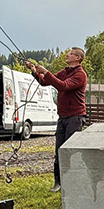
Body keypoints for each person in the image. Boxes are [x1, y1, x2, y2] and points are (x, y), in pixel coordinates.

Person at [24, 47, 88, 192]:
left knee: (70, 151)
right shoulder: (65, 71)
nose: (68, 55)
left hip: (75, 117)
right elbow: (45, 82)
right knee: (59, 150)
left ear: (78, 58)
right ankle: (58, 182)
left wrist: (46, 71)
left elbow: (63, 86)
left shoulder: (80, 75)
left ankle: (72, 182)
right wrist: (34, 70)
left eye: (71, 53)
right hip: (63, 117)